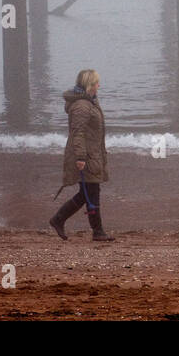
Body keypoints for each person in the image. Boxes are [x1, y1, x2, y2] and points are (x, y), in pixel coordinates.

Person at [48, 68, 115, 241]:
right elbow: (78, 133)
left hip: (92, 154)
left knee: (90, 192)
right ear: (89, 85)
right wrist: (80, 158)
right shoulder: (81, 106)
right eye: (96, 83)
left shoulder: (90, 102)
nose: (99, 86)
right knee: (90, 192)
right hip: (86, 155)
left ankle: (93, 230)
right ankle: (63, 220)